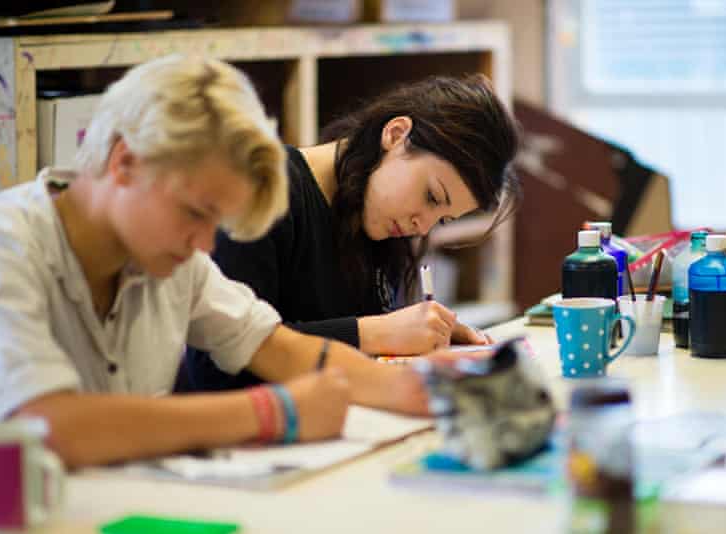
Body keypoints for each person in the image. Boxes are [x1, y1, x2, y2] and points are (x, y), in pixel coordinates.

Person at [0, 55, 429, 469]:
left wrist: (414, 391)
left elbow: (276, 346)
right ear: (125, 163)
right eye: (195, 213)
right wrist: (270, 413)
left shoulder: (170, 256)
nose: (205, 245)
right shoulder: (0, 245)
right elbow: (48, 425)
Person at [181, 74, 520, 393]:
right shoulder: (265, 190)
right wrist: (375, 333)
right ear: (396, 135)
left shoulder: (377, 220)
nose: (423, 226)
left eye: (442, 219)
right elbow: (216, 364)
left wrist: (423, 335)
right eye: (431, 197)